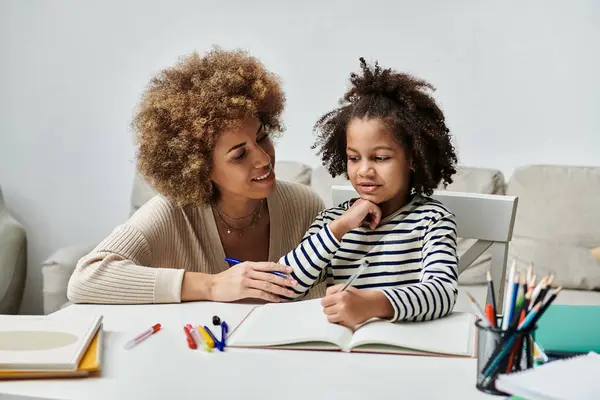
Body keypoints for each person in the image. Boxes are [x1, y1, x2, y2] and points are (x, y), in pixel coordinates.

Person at [66, 47, 326, 305]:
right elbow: (85, 279)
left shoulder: (304, 206)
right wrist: (211, 285)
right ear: (200, 166)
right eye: (239, 155)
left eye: (261, 137)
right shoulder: (173, 213)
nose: (264, 159)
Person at [279, 57, 459, 328]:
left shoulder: (431, 220)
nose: (364, 171)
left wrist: (372, 304)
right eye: (354, 158)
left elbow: (442, 292)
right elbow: (285, 286)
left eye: (380, 158)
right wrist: (340, 227)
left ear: (412, 158)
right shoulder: (333, 222)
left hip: (405, 351)